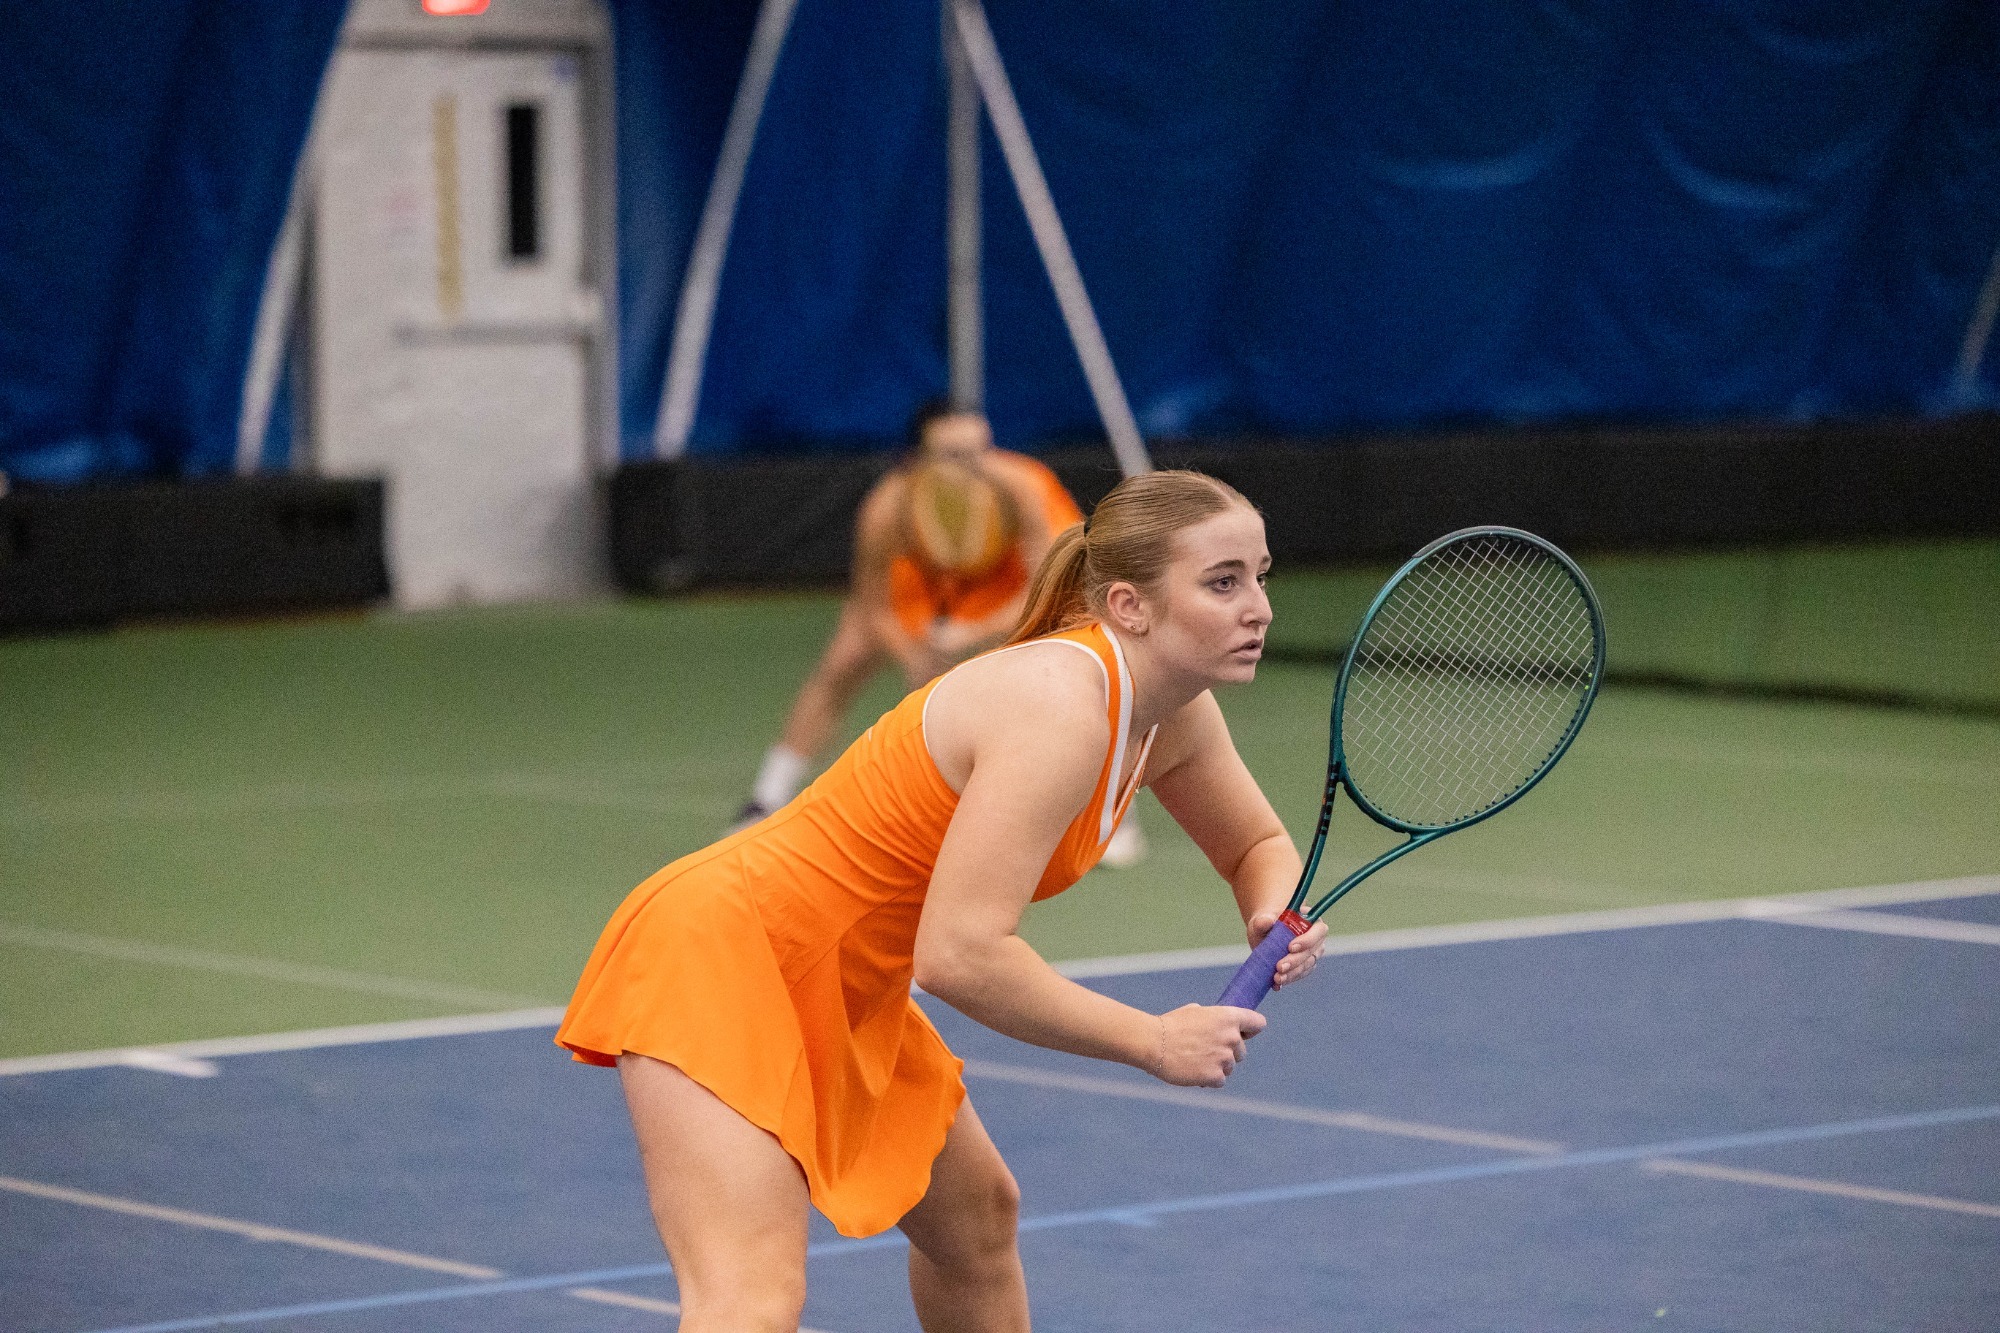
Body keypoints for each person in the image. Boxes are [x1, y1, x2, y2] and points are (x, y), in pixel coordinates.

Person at [557, 469, 1325, 1332]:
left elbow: (1258, 846)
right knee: (751, 1300)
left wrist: (1270, 912)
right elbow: (961, 955)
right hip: (727, 951)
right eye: (1223, 582)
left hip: (852, 983)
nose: (1257, 605)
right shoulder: (1060, 706)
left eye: (1259, 575)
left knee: (976, 1224)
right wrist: (1151, 1038)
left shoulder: (1173, 714)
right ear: (1130, 605)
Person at [735, 403, 1148, 867]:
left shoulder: (1022, 487)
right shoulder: (888, 508)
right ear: (916, 461)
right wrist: (914, 659)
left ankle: (1113, 813)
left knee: (1085, 666)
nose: (973, 466)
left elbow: (1049, 588)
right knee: (845, 657)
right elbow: (873, 607)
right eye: (953, 454)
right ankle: (766, 798)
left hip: (1022, 584)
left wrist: (971, 634)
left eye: (980, 450)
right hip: (936, 585)